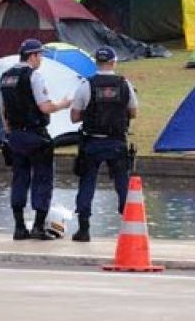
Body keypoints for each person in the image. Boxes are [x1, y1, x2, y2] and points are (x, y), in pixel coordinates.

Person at [0, 39, 74, 240]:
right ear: (33, 56)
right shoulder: (34, 76)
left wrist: (10, 132)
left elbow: (3, 110)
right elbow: (45, 107)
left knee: (19, 180)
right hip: (35, 135)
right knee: (42, 180)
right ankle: (38, 227)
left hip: (15, 136)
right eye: (40, 55)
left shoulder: (5, 77)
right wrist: (63, 105)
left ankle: (19, 227)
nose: (41, 59)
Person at [68, 46, 137, 242]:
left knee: (87, 183)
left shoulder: (86, 85)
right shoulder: (124, 84)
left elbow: (74, 116)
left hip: (92, 142)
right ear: (114, 62)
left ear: (96, 62)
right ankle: (130, 227)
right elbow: (133, 112)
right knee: (122, 183)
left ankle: (83, 229)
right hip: (117, 141)